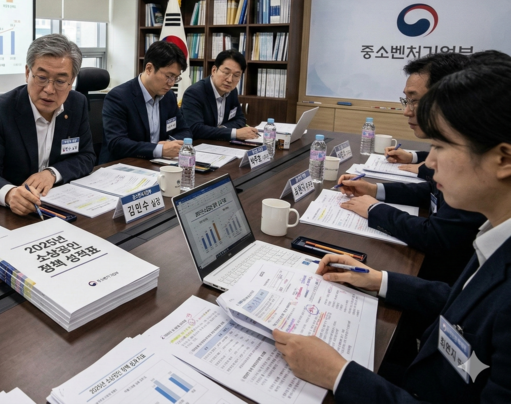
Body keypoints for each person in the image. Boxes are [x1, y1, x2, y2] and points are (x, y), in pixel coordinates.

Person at [273, 59, 511, 403]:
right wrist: (378, 280)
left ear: (503, 159)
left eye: (441, 146)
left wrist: (339, 374)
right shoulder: (496, 235)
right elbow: (464, 303)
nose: (428, 163)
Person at [336, 52, 484, 284]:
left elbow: (437, 236)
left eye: (415, 101)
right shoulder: (459, 144)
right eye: (407, 100)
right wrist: (374, 189)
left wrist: (376, 210)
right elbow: (433, 191)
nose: (407, 111)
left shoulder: (475, 158)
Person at [0, 34, 95, 216]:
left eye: (60, 81)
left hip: (55, 203)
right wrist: (9, 194)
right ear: (28, 73)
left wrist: (52, 173)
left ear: (71, 82)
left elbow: (86, 156)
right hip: (4, 212)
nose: (49, 89)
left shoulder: (77, 104)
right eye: (42, 78)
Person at [100, 41, 192, 163]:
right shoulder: (119, 97)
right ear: (149, 69)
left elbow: (184, 130)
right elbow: (117, 143)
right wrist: (159, 149)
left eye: (176, 78)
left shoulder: (168, 96)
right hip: (123, 164)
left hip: (158, 163)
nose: (171, 83)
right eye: (169, 76)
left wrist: (170, 145)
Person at [180, 49, 259, 141]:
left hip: (219, 143)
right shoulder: (194, 93)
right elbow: (195, 129)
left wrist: (221, 129)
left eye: (236, 75)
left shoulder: (232, 91)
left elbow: (240, 119)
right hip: (198, 144)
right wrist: (234, 133)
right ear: (214, 70)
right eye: (226, 73)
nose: (230, 80)